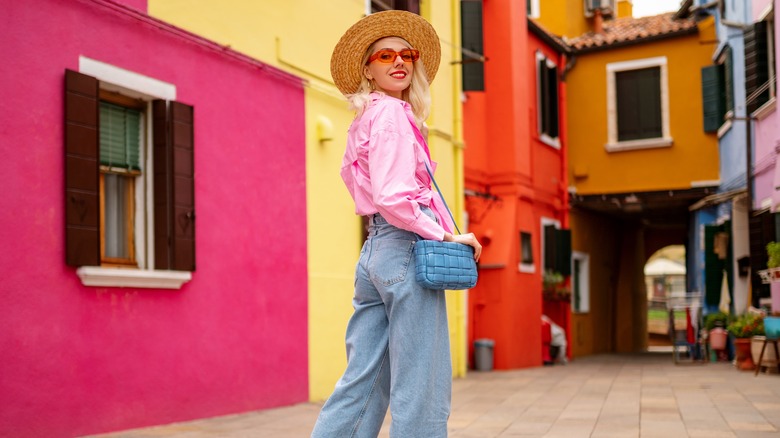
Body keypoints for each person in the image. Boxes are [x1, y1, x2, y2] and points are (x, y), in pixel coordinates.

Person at [311, 10, 482, 438]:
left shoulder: (364, 118)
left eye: (407, 54)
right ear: (368, 69)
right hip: (404, 249)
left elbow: (361, 186)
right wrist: (445, 234)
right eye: (385, 55)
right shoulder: (391, 115)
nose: (399, 62)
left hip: (374, 253)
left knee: (363, 380)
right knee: (420, 383)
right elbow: (392, 196)